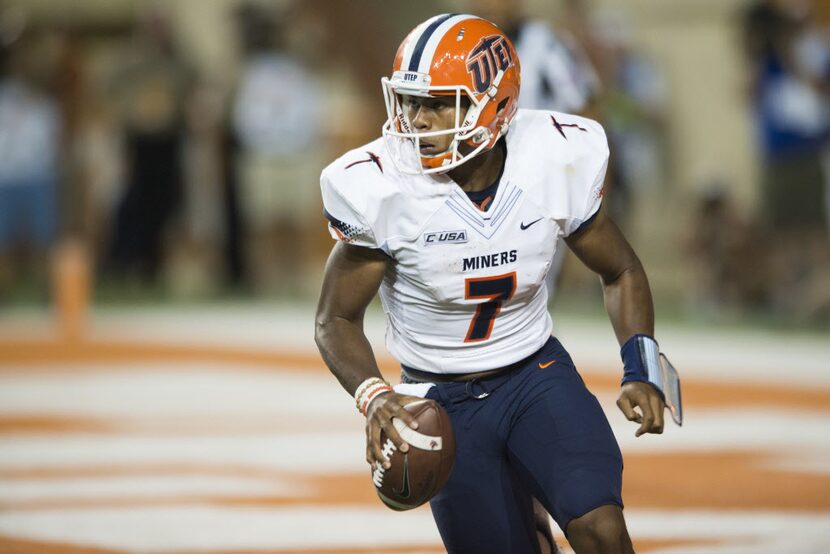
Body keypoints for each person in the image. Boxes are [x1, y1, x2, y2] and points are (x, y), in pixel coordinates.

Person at [315, 14, 680, 554]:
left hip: (535, 376)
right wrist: (374, 397)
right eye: (410, 102)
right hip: (439, 398)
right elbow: (334, 319)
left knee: (602, 531)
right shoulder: (382, 190)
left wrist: (641, 365)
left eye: (439, 102)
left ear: (493, 103)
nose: (417, 120)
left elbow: (619, 269)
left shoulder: (551, 157)